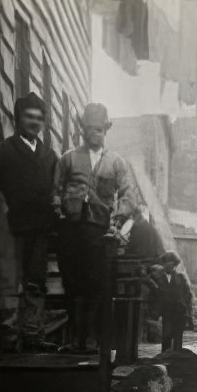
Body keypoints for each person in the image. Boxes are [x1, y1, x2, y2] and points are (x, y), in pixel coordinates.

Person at [54, 103, 141, 353]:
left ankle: (92, 338)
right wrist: (61, 210)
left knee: (97, 286)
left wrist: (116, 219)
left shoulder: (116, 163)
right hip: (71, 232)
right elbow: (55, 192)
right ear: (83, 129)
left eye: (100, 129)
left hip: (100, 232)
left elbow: (129, 196)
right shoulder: (68, 159)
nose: (96, 133)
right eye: (91, 129)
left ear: (106, 130)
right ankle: (74, 339)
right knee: (73, 285)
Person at [0, 92, 58, 351]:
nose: (34, 122)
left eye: (39, 118)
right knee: (9, 282)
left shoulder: (50, 157)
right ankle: (7, 335)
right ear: (18, 119)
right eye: (29, 117)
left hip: (40, 230)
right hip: (12, 230)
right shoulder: (5, 151)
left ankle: (32, 334)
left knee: (36, 283)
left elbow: (56, 190)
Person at [156, 251, 192, 354]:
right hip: (167, 310)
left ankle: (176, 356)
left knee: (178, 335)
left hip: (179, 310)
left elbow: (188, 294)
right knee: (166, 334)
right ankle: (165, 355)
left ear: (175, 265)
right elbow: (158, 294)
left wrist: (186, 307)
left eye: (171, 263)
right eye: (166, 263)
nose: (168, 266)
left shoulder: (181, 278)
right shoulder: (160, 279)